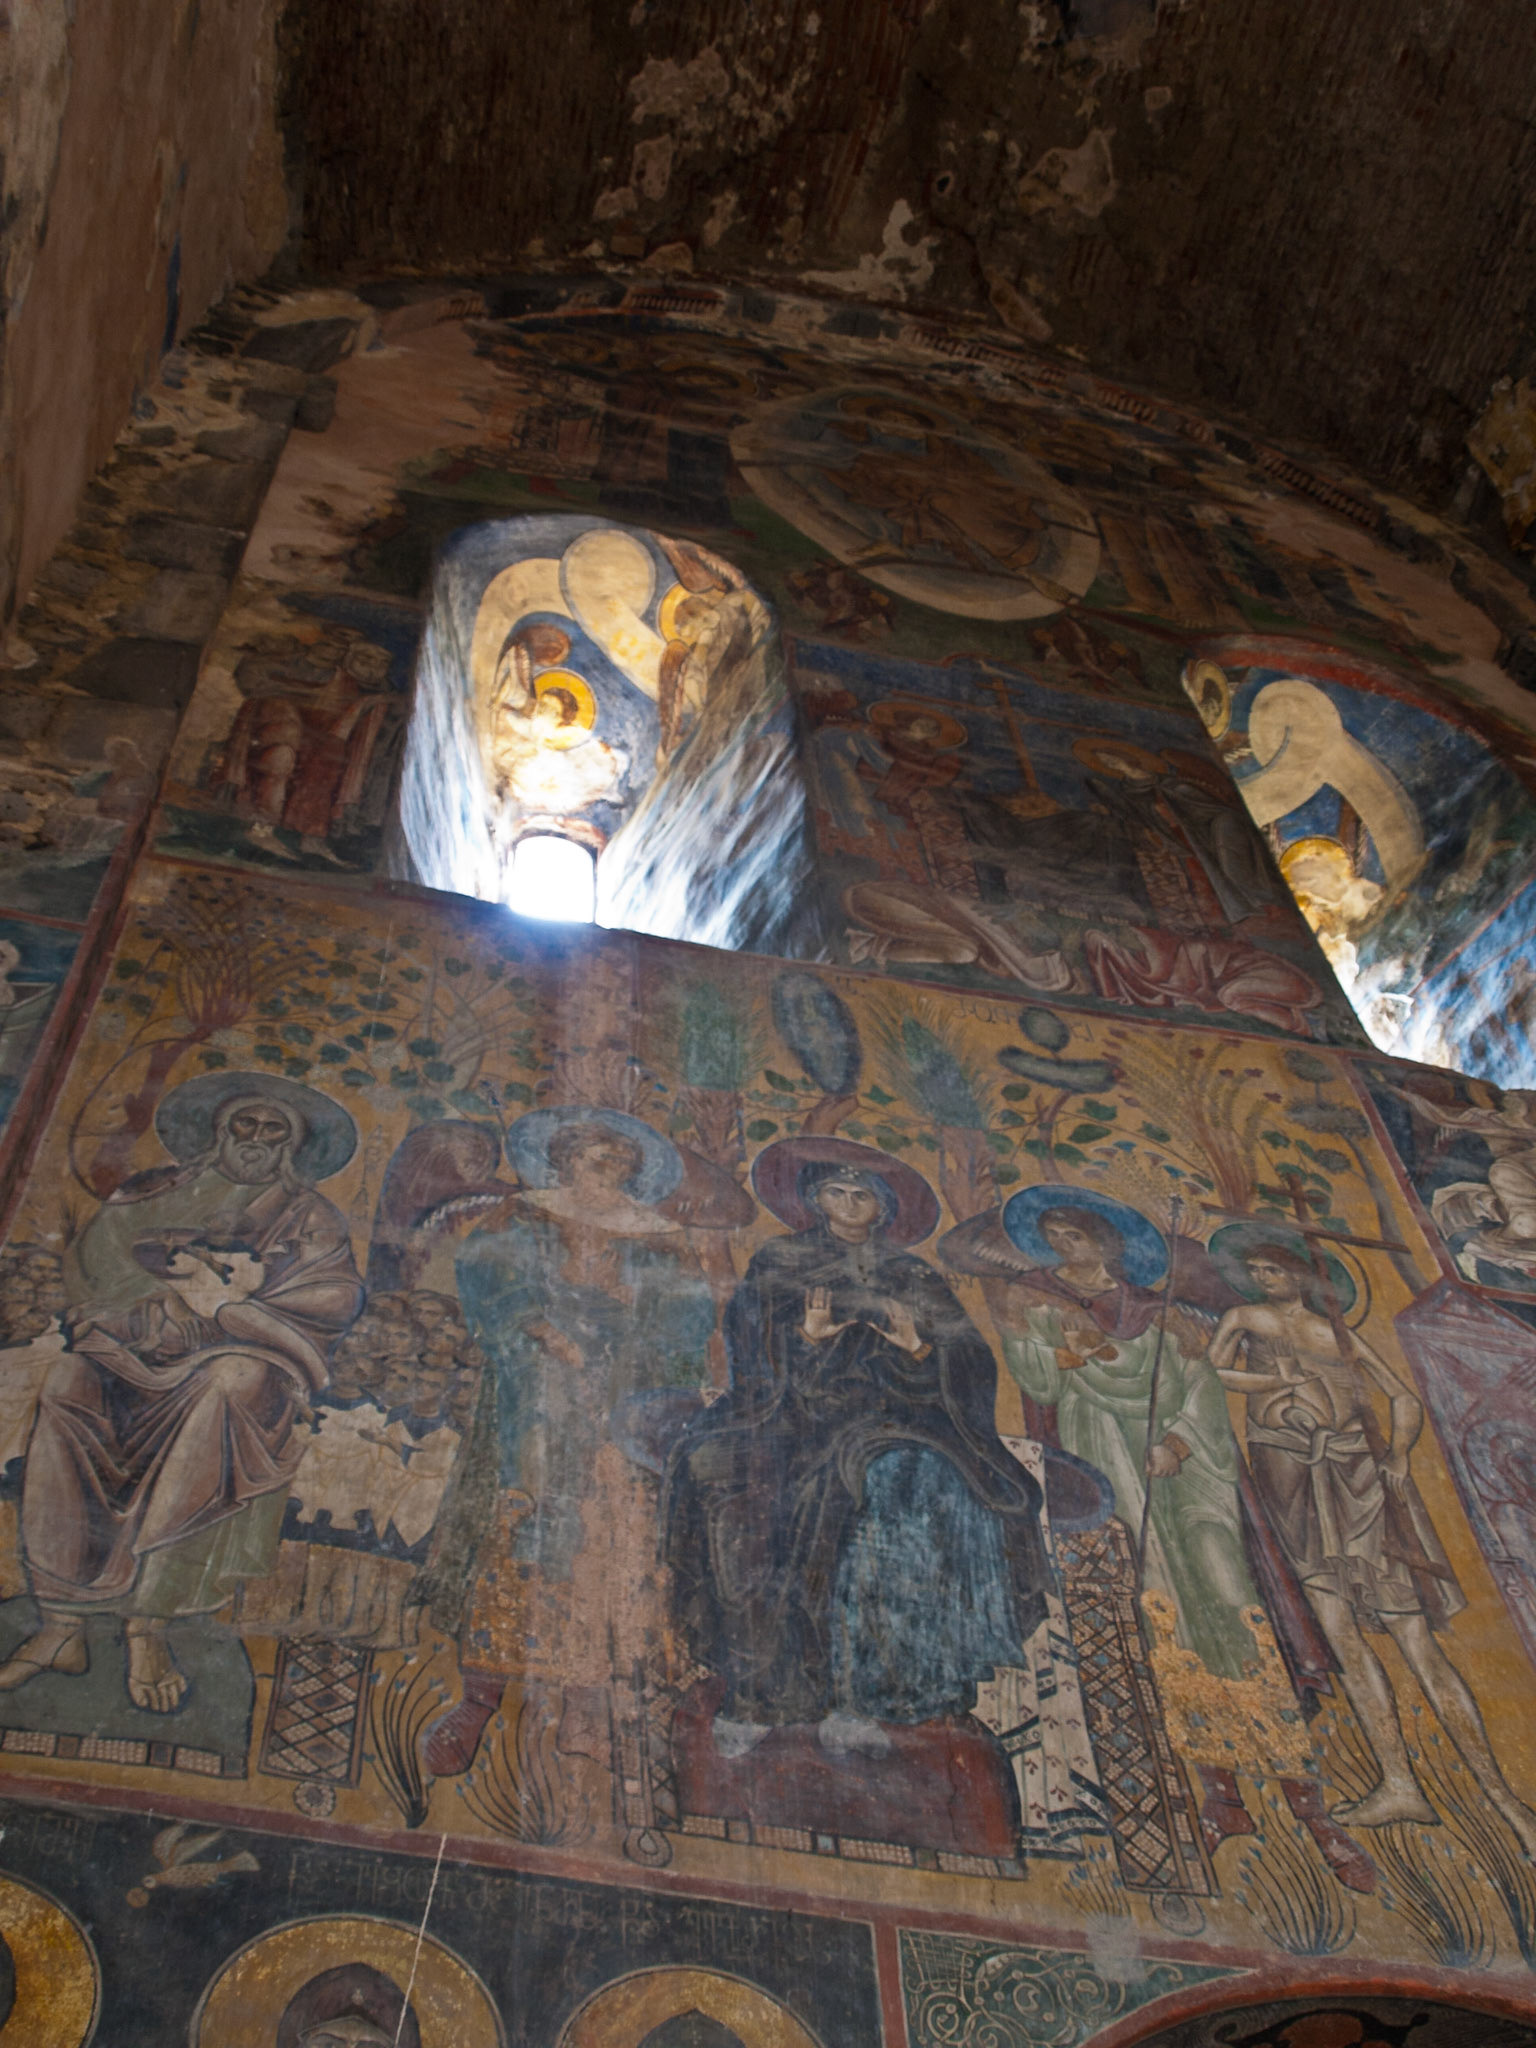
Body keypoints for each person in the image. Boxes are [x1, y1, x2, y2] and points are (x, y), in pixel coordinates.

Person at [663, 1137, 1050, 1759]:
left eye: (861, 1195)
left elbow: (969, 1362)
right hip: (787, 1415)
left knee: (893, 1490)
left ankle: (864, 1696)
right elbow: (749, 1345)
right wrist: (807, 1340)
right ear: (814, 1201)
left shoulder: (912, 1275)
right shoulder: (781, 1259)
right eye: (835, 1192)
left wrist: (915, 1348)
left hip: (891, 1420)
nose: (847, 1204)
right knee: (721, 1480)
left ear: (883, 1209)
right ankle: (762, 1694)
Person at [0, 1074, 362, 1712]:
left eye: (272, 1129)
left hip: (241, 1358)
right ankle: (62, 1623)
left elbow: (331, 1301)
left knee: (225, 1386)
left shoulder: (311, 1217)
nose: (255, 1139)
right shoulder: (150, 1191)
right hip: (134, 1345)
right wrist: (162, 1305)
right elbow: (93, 1268)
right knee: (68, 1380)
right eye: (244, 1125)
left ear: (293, 1144)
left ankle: (149, 1622)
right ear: (219, 1130)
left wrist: (229, 1307)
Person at [1210, 1233, 1536, 1853]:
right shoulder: (1243, 1317)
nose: (1261, 1276)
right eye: (1254, 1269)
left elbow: (1403, 1398)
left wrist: (1398, 1458)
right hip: (1290, 1474)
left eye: (1272, 1268)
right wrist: (1270, 1383)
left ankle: (1507, 1798)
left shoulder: (1337, 1331)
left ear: (1302, 1276)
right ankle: (1398, 1784)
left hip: (1361, 1476)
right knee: (1343, 1633)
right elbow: (1210, 1371)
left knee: (1415, 1638)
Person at [420, 1107, 717, 1772]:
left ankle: (603, 1707)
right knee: (522, 1524)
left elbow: (687, 1319)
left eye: (618, 1161)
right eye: (592, 1158)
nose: (606, 1169)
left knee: (620, 1538)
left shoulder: (660, 1236)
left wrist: (634, 1330)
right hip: (536, 1393)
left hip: (625, 1397)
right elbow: (488, 1276)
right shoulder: (525, 1215)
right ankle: (481, 1699)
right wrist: (540, 1327)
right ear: (563, 1164)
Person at [965, 1192, 1263, 1680]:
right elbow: (1038, 1383)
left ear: (1104, 1244)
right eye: (1053, 1238)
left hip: (1175, 1448)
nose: (1062, 1246)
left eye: (1073, 1236)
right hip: (1098, 1435)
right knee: (1132, 1549)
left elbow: (1200, 1383)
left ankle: (1245, 1674)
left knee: (1213, 1554)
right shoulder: (1040, 1301)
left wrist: (1178, 1445)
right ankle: (1157, 1671)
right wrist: (1061, 1350)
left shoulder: (1153, 1307)